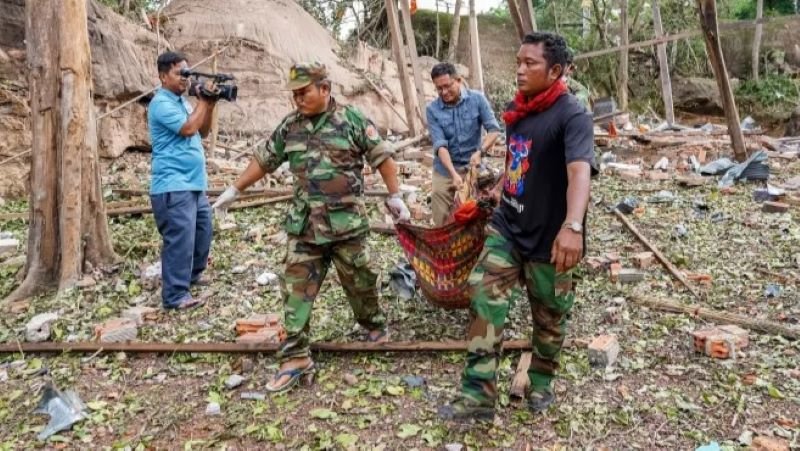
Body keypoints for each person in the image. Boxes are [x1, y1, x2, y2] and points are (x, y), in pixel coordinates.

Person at [212, 62, 410, 393]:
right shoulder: (291, 125)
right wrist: (234, 190)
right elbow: (265, 159)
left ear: (324, 89)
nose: (298, 100)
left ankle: (373, 325)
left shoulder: (352, 120)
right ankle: (295, 356)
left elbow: (383, 158)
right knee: (295, 289)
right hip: (305, 226)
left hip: (346, 223)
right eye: (294, 94)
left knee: (360, 281)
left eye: (303, 93)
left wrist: (396, 197)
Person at [439, 32, 595, 421]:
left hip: (551, 238)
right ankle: (477, 397)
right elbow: (518, 160)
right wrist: (496, 189)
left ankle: (541, 380)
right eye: (518, 61)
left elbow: (580, 172)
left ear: (555, 71)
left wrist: (573, 226)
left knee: (549, 318)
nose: (520, 70)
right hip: (508, 226)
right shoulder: (518, 110)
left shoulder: (571, 114)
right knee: (483, 298)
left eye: (531, 64)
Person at [147, 51, 217, 310]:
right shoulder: (161, 103)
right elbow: (188, 129)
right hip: (173, 185)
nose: (186, 79)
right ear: (163, 76)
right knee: (180, 240)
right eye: (180, 74)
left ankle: (192, 277)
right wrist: (202, 99)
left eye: (188, 73)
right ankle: (175, 295)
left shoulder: (183, 104)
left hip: (194, 184)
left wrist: (209, 105)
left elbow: (203, 129)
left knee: (202, 232)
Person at [426, 63, 501, 226]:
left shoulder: (477, 99)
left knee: (477, 212)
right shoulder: (432, 110)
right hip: (445, 169)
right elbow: (440, 146)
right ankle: (444, 246)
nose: (444, 92)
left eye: (447, 86)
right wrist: (453, 174)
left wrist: (480, 152)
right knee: (441, 215)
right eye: (439, 88)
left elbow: (494, 129)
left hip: (474, 166)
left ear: (458, 80)